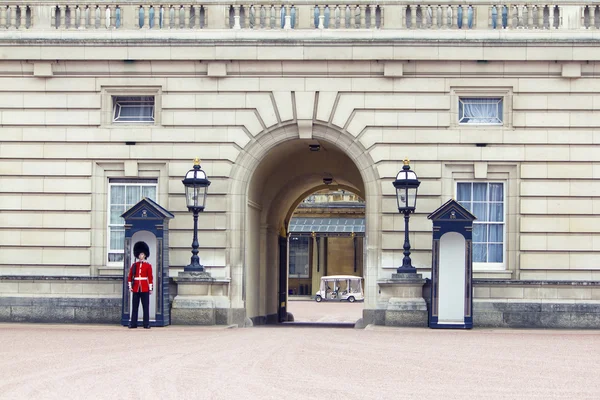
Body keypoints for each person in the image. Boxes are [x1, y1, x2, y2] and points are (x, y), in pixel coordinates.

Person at [127, 241, 153, 329]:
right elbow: (130, 276)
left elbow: (150, 277)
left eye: (142, 254)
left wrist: (150, 288)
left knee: (145, 307)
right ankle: (133, 323)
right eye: (139, 254)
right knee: (135, 307)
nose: (140, 256)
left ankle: (146, 323)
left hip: (144, 288)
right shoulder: (134, 265)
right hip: (136, 288)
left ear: (145, 255)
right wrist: (130, 287)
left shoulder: (148, 266)